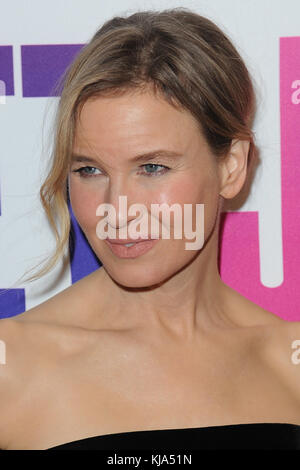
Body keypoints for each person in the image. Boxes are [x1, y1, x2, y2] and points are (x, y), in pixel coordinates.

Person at [0, 8, 299, 450]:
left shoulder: (289, 361)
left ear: (231, 167)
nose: (116, 210)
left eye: (152, 167)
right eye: (89, 170)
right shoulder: (13, 366)